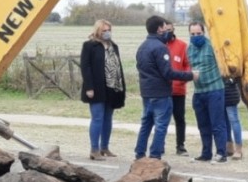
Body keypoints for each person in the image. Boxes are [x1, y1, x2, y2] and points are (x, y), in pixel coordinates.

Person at [134, 15, 197, 160]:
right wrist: (190, 76)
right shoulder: (160, 48)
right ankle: (155, 156)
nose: (165, 30)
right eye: (163, 27)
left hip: (146, 92)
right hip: (161, 93)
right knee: (161, 126)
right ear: (159, 29)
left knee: (146, 124)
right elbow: (168, 72)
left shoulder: (142, 47)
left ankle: (139, 154)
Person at [79, 19, 126, 161]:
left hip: (112, 88)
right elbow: (85, 67)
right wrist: (89, 87)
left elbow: (118, 67)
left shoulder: (113, 46)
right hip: (96, 87)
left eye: (108, 30)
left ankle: (104, 147)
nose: (106, 33)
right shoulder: (89, 46)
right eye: (104, 30)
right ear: (98, 31)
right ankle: (94, 149)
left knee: (108, 118)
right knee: (97, 118)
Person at [187, 21, 228, 163]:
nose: (195, 36)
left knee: (217, 123)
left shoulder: (212, 47)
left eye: (198, 33)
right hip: (198, 91)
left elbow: (223, 65)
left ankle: (221, 153)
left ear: (203, 33)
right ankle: (206, 153)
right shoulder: (189, 49)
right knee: (203, 124)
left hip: (214, 89)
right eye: (192, 34)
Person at [164, 21, 191, 156]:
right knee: (162, 119)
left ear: (173, 29)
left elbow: (187, 65)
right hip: (162, 90)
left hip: (178, 90)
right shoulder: (159, 46)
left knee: (179, 118)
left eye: (170, 29)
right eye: (165, 30)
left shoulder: (182, 46)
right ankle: (159, 145)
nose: (168, 32)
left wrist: (183, 78)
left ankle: (180, 145)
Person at [223, 76, 243, 160]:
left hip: (230, 93)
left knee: (234, 121)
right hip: (220, 93)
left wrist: (231, 81)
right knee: (225, 121)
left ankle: (238, 149)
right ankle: (229, 146)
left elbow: (237, 74)